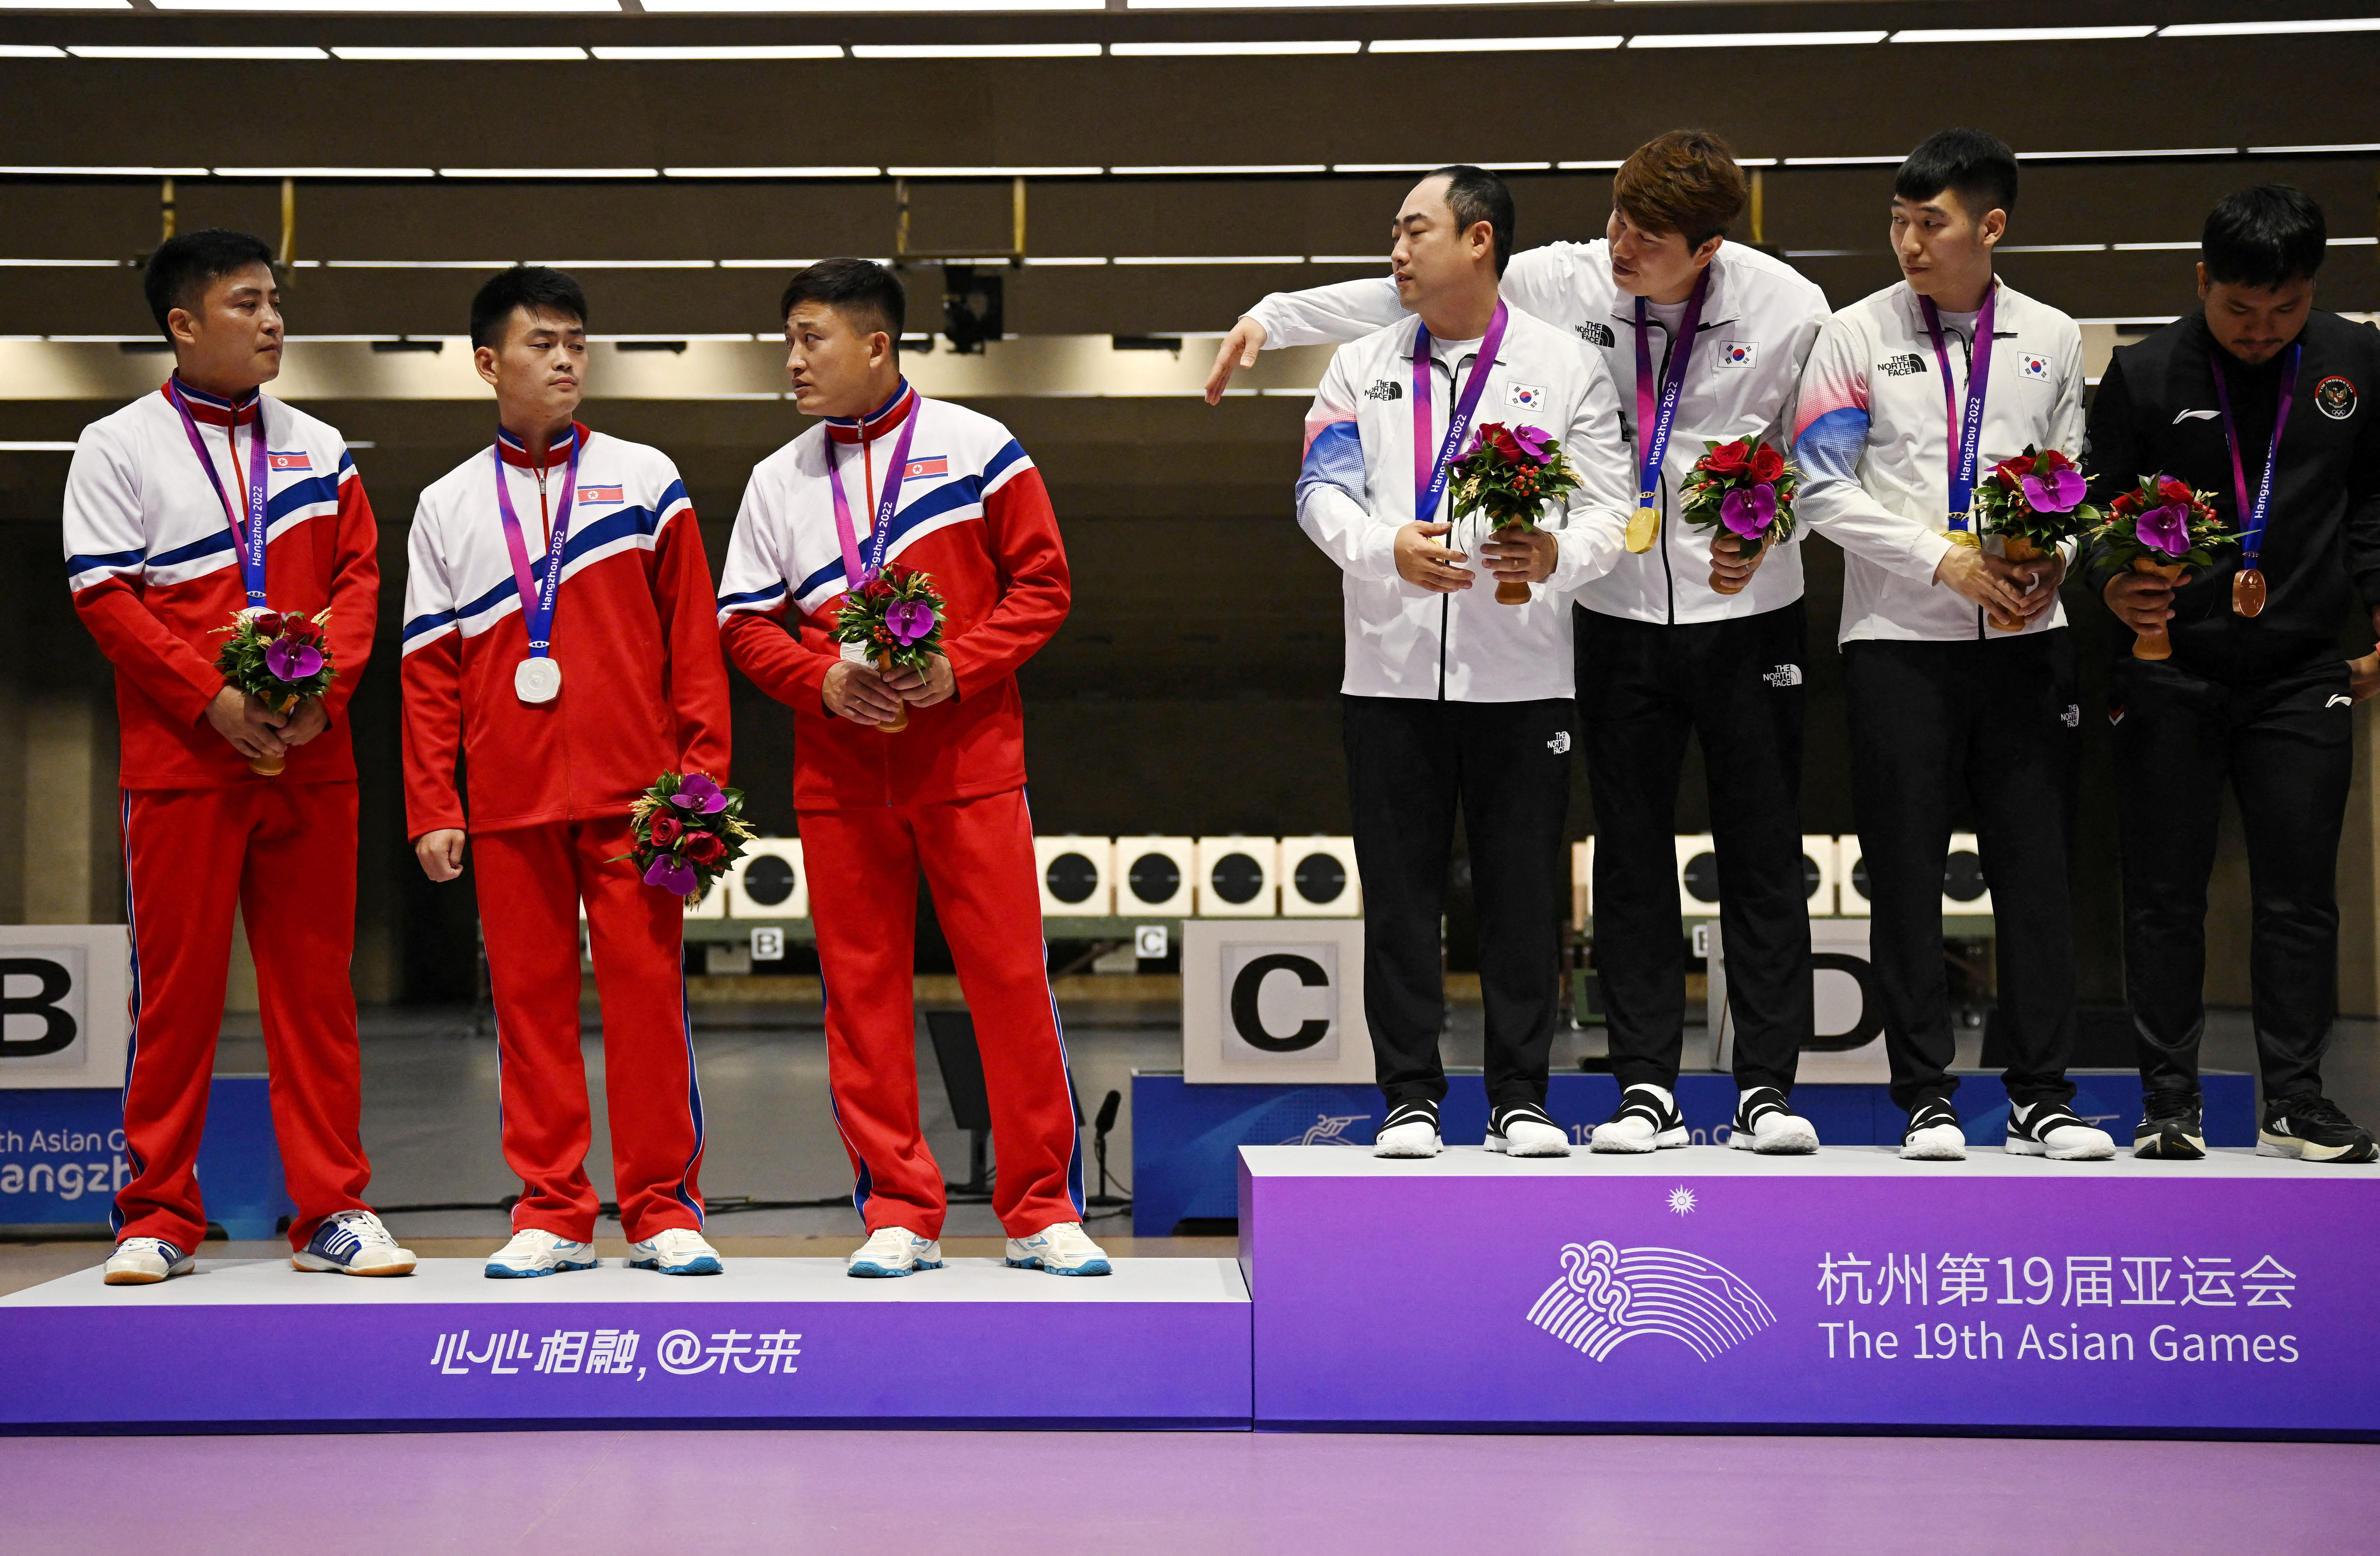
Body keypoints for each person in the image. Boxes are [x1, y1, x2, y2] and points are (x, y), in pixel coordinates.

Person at [1210, 131, 1833, 1156]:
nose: (1619, 244)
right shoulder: (1560, 277)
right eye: (1617, 219)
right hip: (1612, 608)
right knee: (1630, 856)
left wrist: (1775, 526)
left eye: (1647, 236)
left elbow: (1819, 452)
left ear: (1707, 248)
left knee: (1762, 853)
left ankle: (1764, 1087)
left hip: (1745, 605)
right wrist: (1273, 320)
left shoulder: (1788, 309)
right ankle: (1645, 1090)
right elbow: (1410, 290)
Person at [717, 259, 1107, 1277]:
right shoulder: (775, 480)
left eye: (812, 338)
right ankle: (898, 1208)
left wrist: (959, 670)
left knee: (1011, 982)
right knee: (861, 994)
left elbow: (1044, 586)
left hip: (969, 759)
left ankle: (1039, 1209)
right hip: (839, 776)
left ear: (876, 345)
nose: (792, 360)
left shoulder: (978, 449)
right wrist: (821, 683)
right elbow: (744, 625)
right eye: (787, 340)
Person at [65, 228, 413, 1284]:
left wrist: (326, 696)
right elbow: (104, 598)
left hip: (313, 760)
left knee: (316, 992)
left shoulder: (320, 445)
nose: (273, 322)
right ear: (182, 323)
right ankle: (158, 1211)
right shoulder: (116, 444)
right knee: (175, 996)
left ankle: (334, 1210)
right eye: (248, 303)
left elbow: (359, 578)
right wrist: (212, 700)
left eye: (276, 302)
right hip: (182, 764)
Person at [1286, 165, 1634, 1158]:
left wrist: (1560, 553)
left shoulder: (1563, 365)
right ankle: (1408, 1096)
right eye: (1394, 234)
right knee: (1398, 894)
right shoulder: (1359, 366)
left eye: (1412, 230)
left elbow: (1610, 509)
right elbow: (1319, 489)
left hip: (1524, 677)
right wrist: (1382, 546)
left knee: (1523, 892)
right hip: (1387, 676)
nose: (1394, 251)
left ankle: (1520, 1097)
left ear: (1478, 242)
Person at [1792, 128, 2116, 1161]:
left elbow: (2067, 472)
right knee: (1902, 868)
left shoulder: (2053, 335)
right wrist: (1945, 562)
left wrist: (2053, 558)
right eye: (1896, 219)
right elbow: (1821, 485)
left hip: (2029, 640)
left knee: (2033, 869)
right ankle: (1925, 1093)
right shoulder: (1852, 336)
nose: (1906, 241)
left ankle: (2041, 1095)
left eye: (1928, 222)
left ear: (1990, 225)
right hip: (1899, 638)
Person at [402, 266, 731, 1277]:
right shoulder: (448, 503)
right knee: (528, 1010)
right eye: (542, 344)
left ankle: (664, 1207)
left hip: (639, 799)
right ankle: (551, 1207)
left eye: (576, 343)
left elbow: (694, 646)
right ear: (488, 362)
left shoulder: (644, 477)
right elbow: (426, 669)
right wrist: (433, 803)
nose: (564, 360)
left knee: (644, 1006)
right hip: (507, 799)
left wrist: (699, 783)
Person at [2082, 185, 2380, 1163]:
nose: (2261, 332)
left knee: (2299, 894)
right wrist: (2117, 581)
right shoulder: (2140, 373)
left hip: (2303, 669)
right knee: (2164, 892)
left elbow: (2371, 502)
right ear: (2201, 280)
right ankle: (2169, 1103)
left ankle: (2295, 1098)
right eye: (2239, 310)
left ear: (2311, 292)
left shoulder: (2355, 361)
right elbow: (2095, 512)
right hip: (2171, 671)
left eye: (2284, 310)